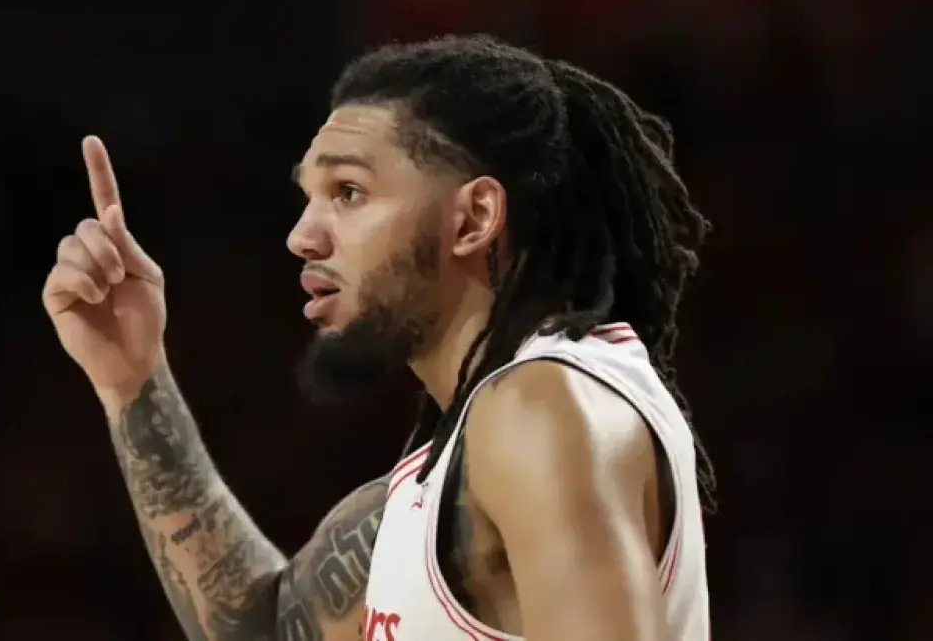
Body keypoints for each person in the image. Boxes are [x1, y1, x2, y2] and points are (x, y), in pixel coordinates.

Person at [43, 34, 714, 641]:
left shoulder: (540, 407)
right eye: (309, 195)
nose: (301, 236)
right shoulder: (468, 451)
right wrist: (134, 378)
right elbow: (266, 626)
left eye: (348, 192)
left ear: (474, 217)